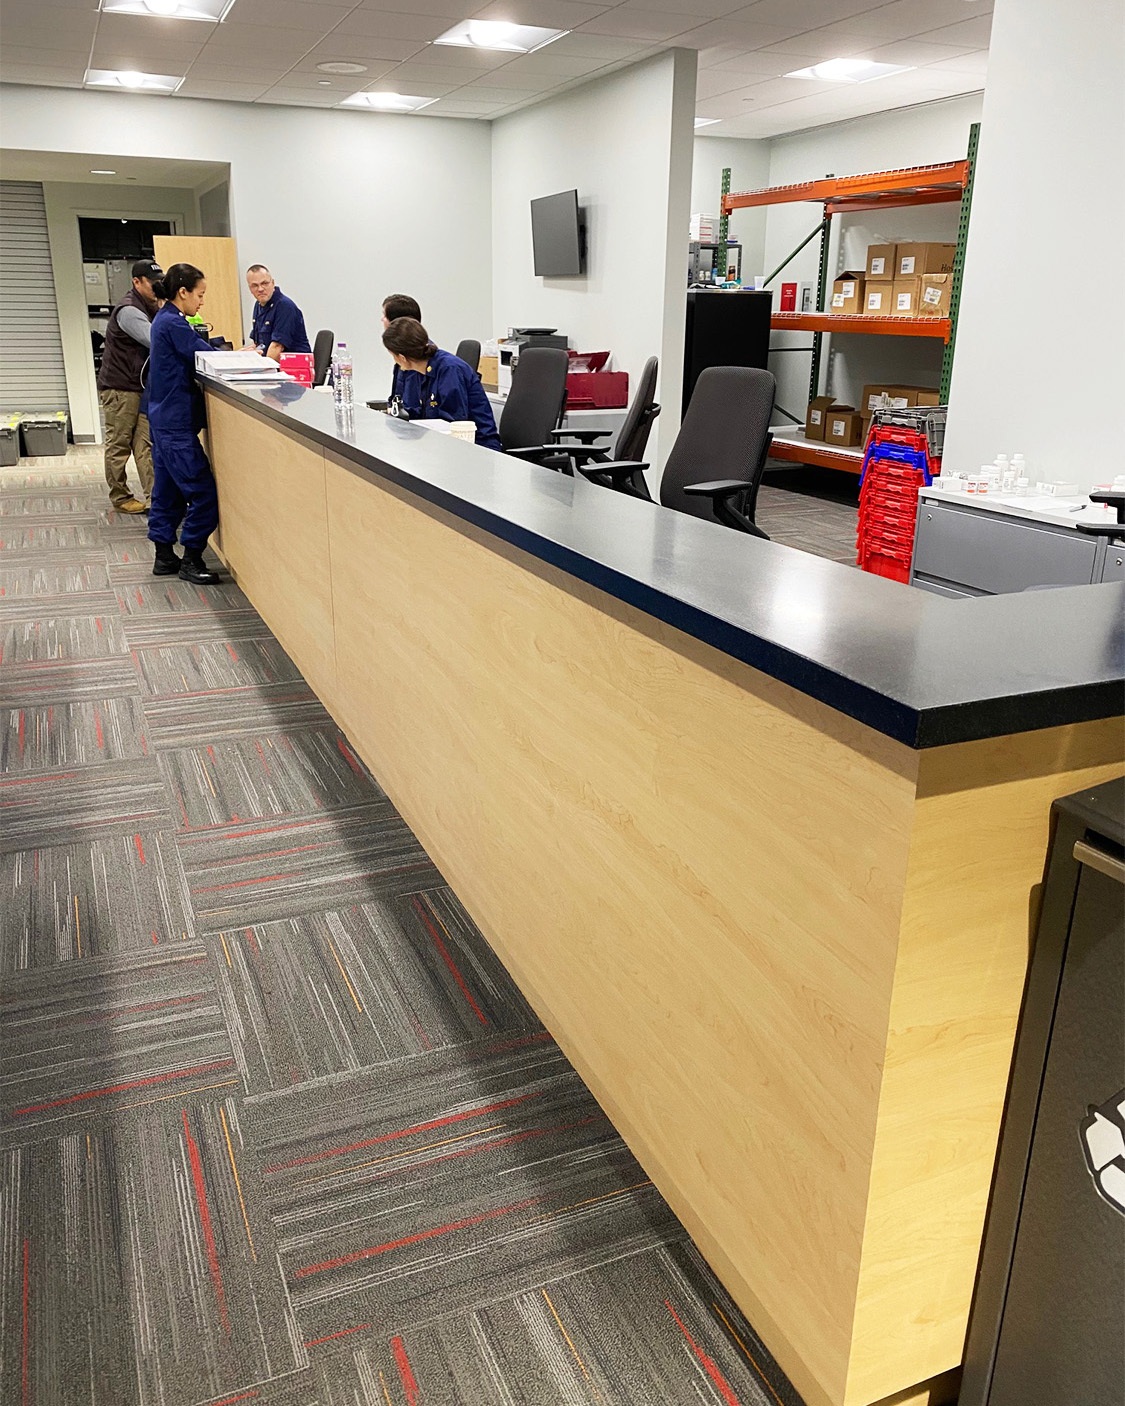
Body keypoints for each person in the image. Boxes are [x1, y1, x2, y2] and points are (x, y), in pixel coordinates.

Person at [146, 263, 221, 586]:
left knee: (168, 490)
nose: (201, 302)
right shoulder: (174, 324)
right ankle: (192, 558)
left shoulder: (167, 320)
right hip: (174, 423)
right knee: (201, 491)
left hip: (164, 419)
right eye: (199, 295)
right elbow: (203, 355)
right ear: (183, 292)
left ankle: (164, 556)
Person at [96, 258, 162, 513]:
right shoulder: (130, 310)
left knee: (145, 444)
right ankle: (121, 497)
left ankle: (156, 499)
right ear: (137, 282)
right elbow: (155, 340)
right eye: (153, 283)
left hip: (141, 388)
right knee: (119, 445)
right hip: (120, 388)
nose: (158, 288)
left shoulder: (150, 305)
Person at [382, 317, 502, 451]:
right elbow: (422, 412)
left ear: (402, 358)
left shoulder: (449, 370)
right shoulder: (420, 371)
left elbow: (453, 423)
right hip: (443, 446)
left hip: (478, 448)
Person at [244, 265, 310, 362]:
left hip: (295, 369)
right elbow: (258, 344)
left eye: (264, 283)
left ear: (273, 283)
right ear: (250, 288)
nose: (260, 289)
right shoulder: (258, 305)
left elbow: (277, 347)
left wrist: (260, 367)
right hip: (273, 366)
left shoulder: (285, 306)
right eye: (255, 285)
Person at [381, 293, 422, 407]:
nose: (381, 319)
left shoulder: (416, 355)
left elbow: (411, 408)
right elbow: (396, 399)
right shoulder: (402, 351)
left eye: (384, 315)